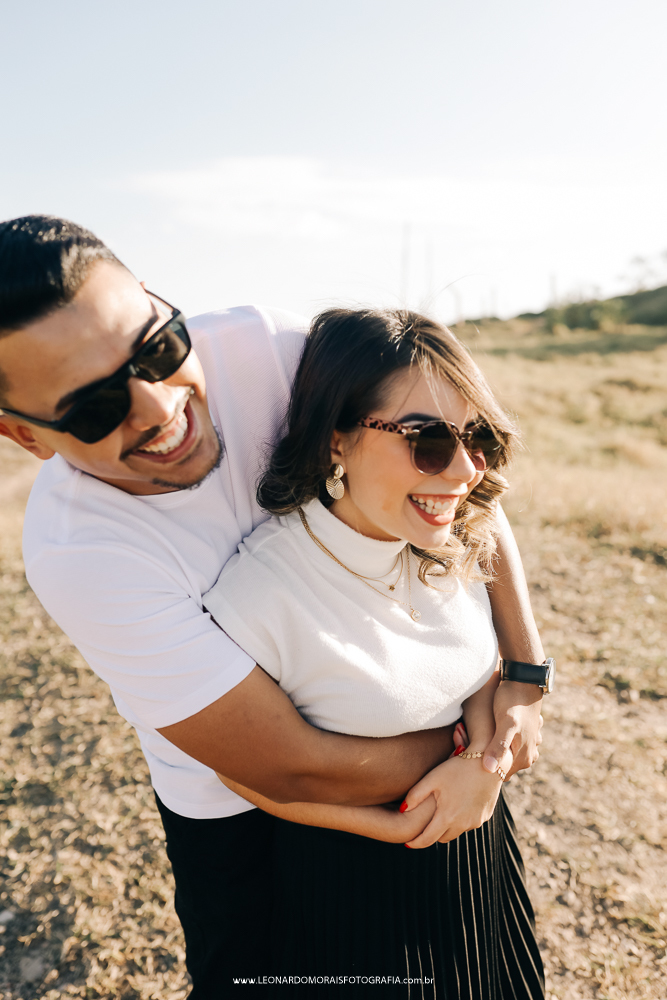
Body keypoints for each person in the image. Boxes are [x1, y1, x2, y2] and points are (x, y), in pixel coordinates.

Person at [0, 215, 547, 997]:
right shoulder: (81, 556)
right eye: (92, 408)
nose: (156, 407)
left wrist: (522, 674)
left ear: (159, 300)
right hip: (245, 805)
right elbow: (291, 765)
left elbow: (454, 471)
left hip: (420, 748)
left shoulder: (270, 350)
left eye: (157, 349)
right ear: (25, 434)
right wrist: (480, 755)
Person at [203, 307, 546, 997]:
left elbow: (472, 672)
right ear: (337, 437)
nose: (462, 472)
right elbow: (245, 776)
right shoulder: (261, 593)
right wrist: (397, 827)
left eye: (477, 440)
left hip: (479, 861)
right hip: (352, 896)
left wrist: (484, 765)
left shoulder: (443, 540)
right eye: (426, 440)